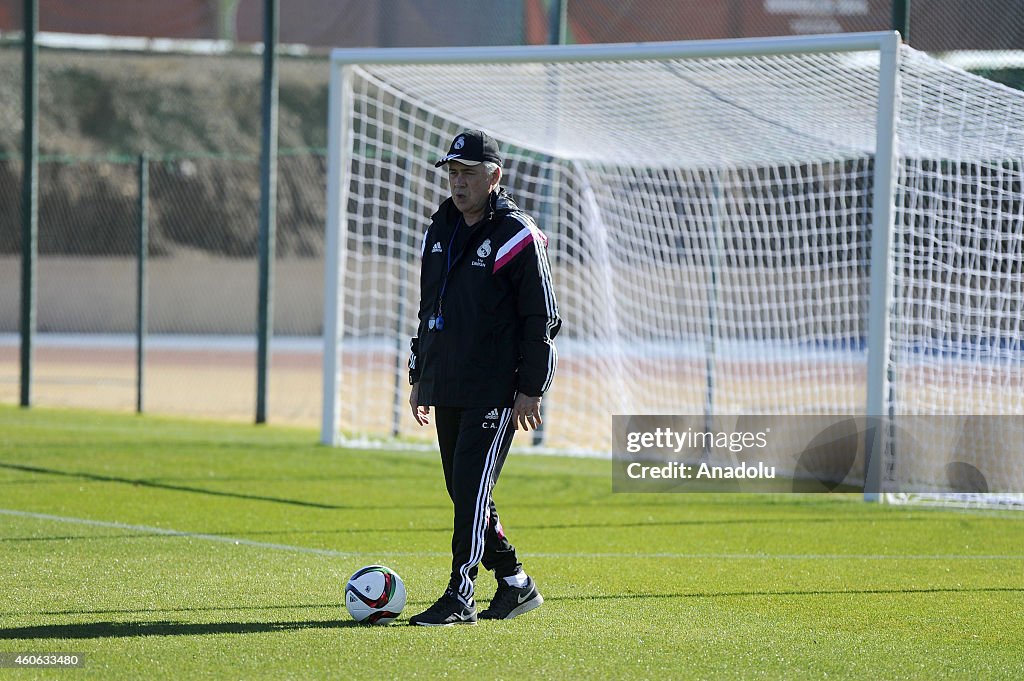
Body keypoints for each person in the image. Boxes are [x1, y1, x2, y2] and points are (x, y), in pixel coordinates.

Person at [406, 130, 561, 626]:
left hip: (495, 388)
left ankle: (460, 594)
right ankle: (514, 581)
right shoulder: (440, 228)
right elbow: (430, 307)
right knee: (464, 491)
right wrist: (419, 374)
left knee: (471, 488)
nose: (458, 183)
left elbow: (543, 318)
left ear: (493, 176)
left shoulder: (517, 234)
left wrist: (531, 388)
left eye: (468, 173)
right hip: (446, 382)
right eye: (452, 173)